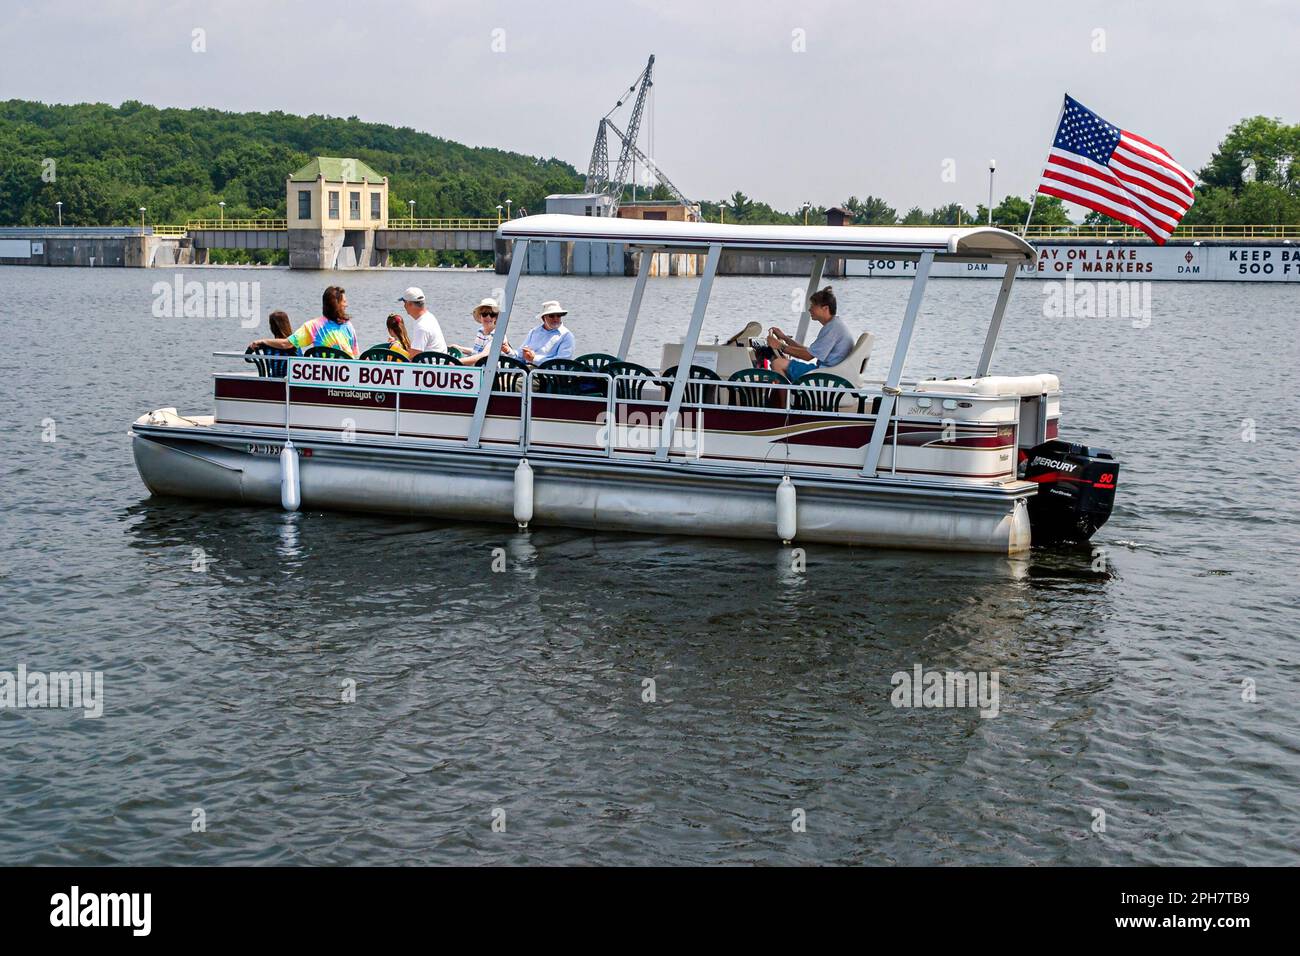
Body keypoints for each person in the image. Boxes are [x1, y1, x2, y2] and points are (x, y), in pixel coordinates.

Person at [768, 286, 854, 380]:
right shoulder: (835, 325)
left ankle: (787, 394)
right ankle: (792, 392)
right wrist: (785, 338)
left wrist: (781, 346)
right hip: (830, 373)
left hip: (825, 375)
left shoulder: (832, 328)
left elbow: (808, 356)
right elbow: (810, 352)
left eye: (813, 306)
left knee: (777, 363)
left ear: (825, 308)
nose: (810, 309)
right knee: (782, 362)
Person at [249, 286, 358, 357]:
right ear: (337, 304)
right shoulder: (348, 326)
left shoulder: (314, 326)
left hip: (323, 380)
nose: (346, 305)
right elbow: (355, 355)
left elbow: (286, 344)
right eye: (344, 302)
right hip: (348, 381)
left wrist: (262, 341)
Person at [512, 300, 575, 365]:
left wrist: (534, 359)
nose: (555, 318)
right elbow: (520, 355)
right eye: (551, 316)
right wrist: (508, 352)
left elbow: (562, 362)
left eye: (558, 315)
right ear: (543, 318)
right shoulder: (534, 332)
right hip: (528, 370)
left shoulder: (566, 335)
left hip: (550, 373)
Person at [455, 297, 511, 365]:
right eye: (484, 314)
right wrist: (460, 348)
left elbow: (482, 356)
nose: (488, 317)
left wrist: (456, 361)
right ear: (480, 316)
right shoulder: (481, 331)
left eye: (492, 314)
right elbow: (477, 352)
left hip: (495, 372)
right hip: (481, 368)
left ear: (496, 318)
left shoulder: (497, 335)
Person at [399, 286, 447, 355]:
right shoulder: (429, 316)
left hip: (429, 364)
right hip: (438, 361)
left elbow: (413, 355)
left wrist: (396, 348)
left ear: (409, 304)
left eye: (404, 302)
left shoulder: (421, 326)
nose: (404, 306)